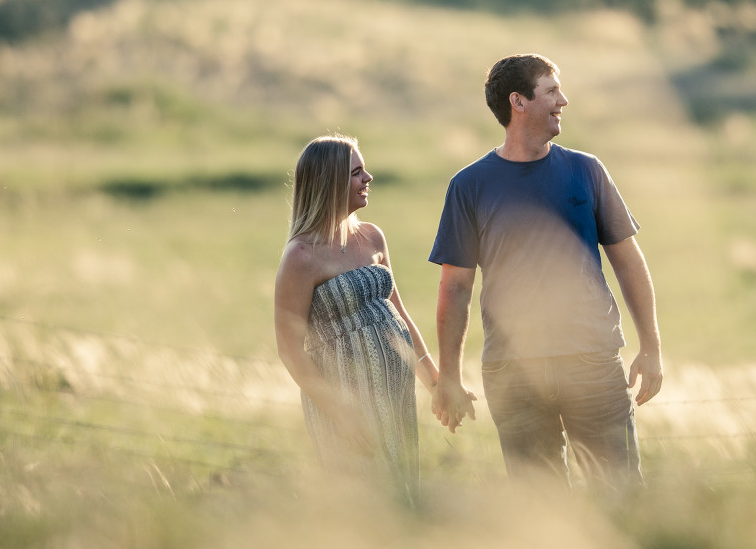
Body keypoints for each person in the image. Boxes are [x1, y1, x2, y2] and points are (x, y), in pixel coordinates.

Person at [429, 54, 663, 486]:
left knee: (620, 493)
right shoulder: (469, 186)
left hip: (591, 362)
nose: (563, 100)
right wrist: (449, 377)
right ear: (518, 102)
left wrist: (651, 347)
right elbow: (455, 289)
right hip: (513, 372)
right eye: (552, 91)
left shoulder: (586, 170)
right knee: (539, 504)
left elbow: (629, 263)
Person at [274, 135, 438, 499]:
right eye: (356, 172)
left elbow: (398, 313)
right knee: (364, 503)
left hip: (394, 398)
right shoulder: (301, 257)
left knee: (402, 498)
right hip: (346, 410)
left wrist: (435, 382)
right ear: (329, 182)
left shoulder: (372, 237)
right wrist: (341, 413)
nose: (368, 178)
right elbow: (290, 350)